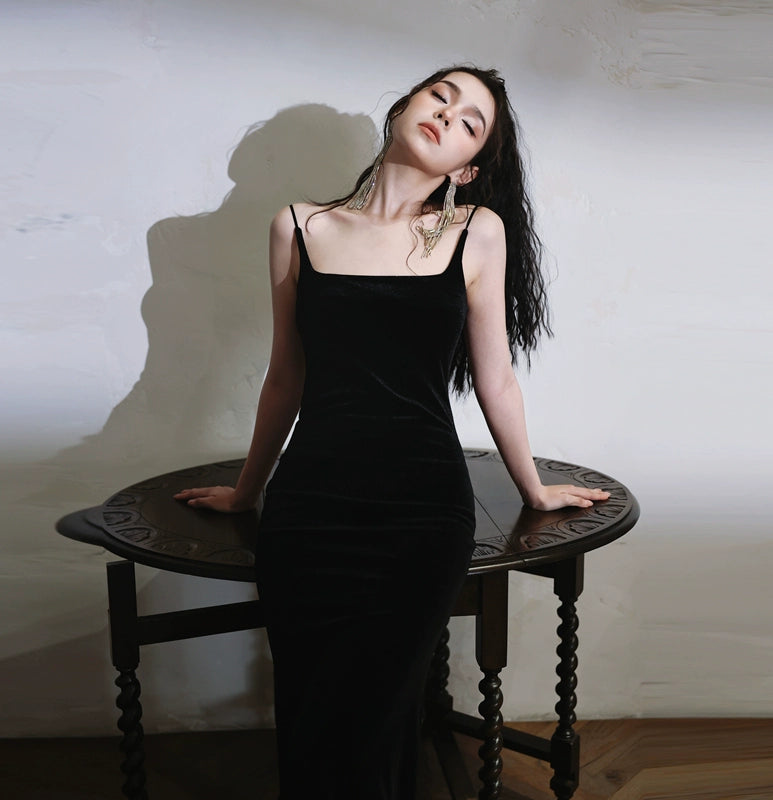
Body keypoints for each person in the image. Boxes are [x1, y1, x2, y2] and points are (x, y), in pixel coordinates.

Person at [175, 65, 608, 800]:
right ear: (405, 105)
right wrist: (247, 493)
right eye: (442, 96)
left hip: (421, 512)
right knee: (310, 715)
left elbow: (497, 379)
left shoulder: (475, 232)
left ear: (467, 169)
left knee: (379, 716)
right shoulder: (299, 226)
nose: (448, 114)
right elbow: (285, 379)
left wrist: (534, 487)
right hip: (311, 508)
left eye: (470, 122)